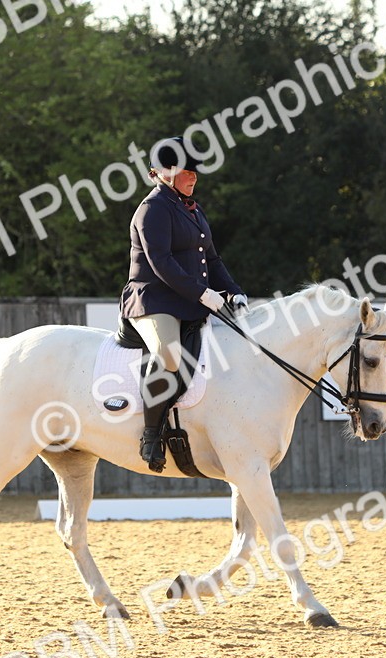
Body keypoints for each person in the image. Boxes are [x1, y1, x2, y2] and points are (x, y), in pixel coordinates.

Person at [120, 137, 248, 472]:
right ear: (164, 173)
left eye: (195, 171)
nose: (194, 177)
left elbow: (212, 260)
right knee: (169, 355)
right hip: (153, 300)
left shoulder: (192, 209)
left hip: (188, 301)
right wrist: (203, 294)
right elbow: (161, 263)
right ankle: (151, 435)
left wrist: (233, 291)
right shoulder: (152, 209)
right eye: (186, 171)